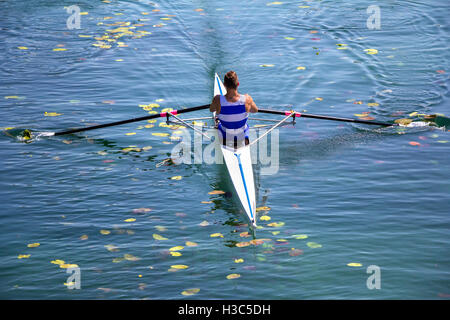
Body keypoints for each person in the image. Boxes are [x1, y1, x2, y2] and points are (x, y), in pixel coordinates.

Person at [210, 71, 258, 148]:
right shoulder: (247, 99)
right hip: (242, 138)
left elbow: (211, 109)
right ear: (238, 84)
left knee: (217, 116)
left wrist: (217, 105)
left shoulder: (217, 99)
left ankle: (218, 120)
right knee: (245, 124)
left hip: (226, 138)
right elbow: (255, 110)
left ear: (224, 85)